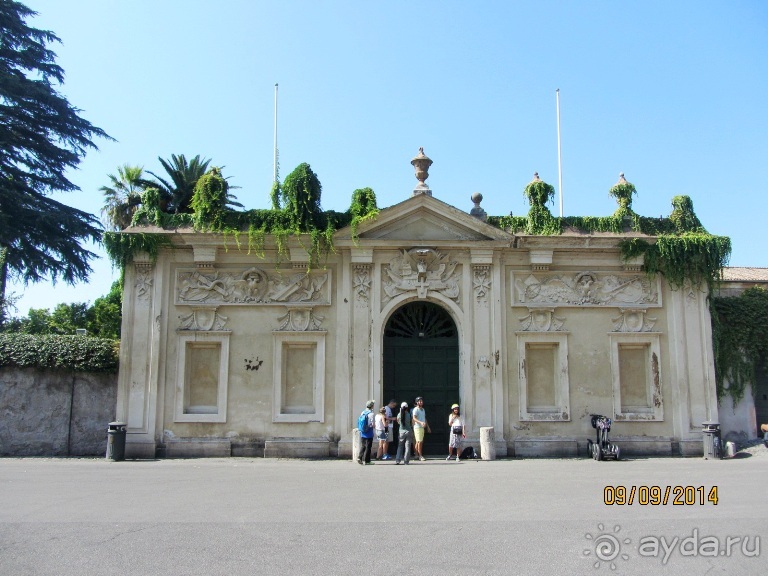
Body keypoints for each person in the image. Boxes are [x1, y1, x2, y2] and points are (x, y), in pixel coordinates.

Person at [412, 396, 431, 461]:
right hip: (417, 427)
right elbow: (414, 418)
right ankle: (420, 455)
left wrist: (428, 427)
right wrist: (420, 422)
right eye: (419, 401)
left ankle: (416, 455)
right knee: (419, 442)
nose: (420, 402)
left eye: (421, 401)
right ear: (416, 402)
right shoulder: (415, 409)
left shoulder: (423, 410)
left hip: (422, 427)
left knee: (419, 442)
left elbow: (424, 418)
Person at [357, 400, 375, 465]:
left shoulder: (363, 412)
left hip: (363, 431)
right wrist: (374, 426)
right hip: (369, 431)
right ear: (372, 406)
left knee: (363, 445)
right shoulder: (371, 413)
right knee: (368, 446)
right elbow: (371, 424)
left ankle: (359, 457)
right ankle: (367, 461)